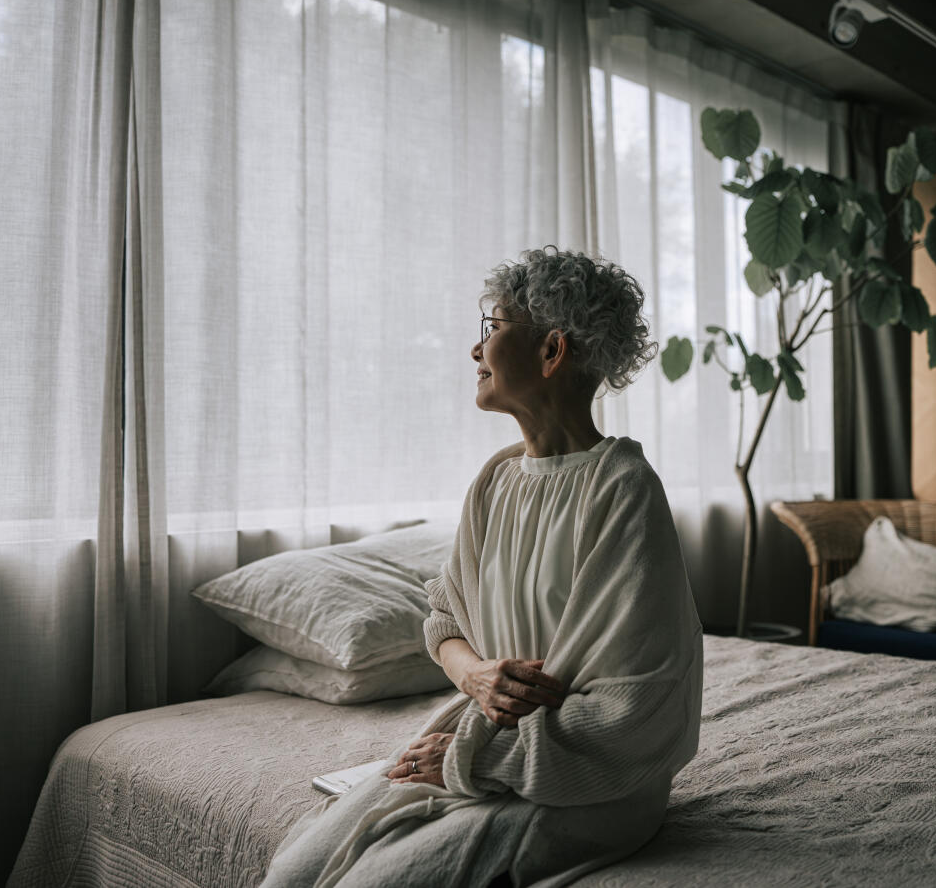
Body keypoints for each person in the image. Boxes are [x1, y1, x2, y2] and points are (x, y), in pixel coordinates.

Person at [262, 247, 703, 888]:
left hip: (587, 779)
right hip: (482, 743)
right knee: (292, 872)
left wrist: (474, 756)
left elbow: (638, 706)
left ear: (551, 350)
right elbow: (443, 622)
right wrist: (476, 677)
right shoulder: (497, 480)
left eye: (493, 328)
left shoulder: (622, 487)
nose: (476, 349)